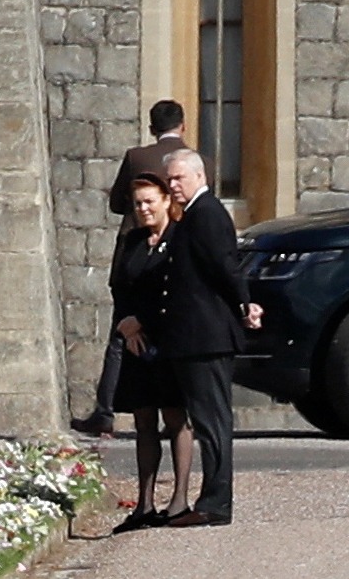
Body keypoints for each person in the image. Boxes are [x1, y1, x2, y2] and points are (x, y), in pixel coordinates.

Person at [152, 148, 262, 527]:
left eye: (178, 178)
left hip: (207, 336)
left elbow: (226, 267)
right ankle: (212, 500)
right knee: (206, 421)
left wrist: (246, 304)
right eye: (169, 180)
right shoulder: (194, 215)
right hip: (194, 336)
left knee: (213, 423)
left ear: (200, 177)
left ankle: (215, 503)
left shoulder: (208, 213)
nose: (173, 185)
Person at [71, 99, 190, 436]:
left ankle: (105, 411)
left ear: (152, 128)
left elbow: (115, 203)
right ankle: (176, 413)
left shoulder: (137, 157)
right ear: (183, 126)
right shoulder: (200, 162)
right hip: (175, 253)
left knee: (120, 335)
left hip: (134, 254)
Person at [108, 173, 194, 533]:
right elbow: (120, 285)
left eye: (149, 201)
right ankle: (144, 503)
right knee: (143, 421)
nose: (143, 209)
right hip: (136, 343)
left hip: (170, 339)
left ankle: (179, 500)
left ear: (164, 201)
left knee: (176, 418)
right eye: (138, 203)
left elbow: (182, 289)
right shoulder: (133, 241)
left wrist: (143, 321)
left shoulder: (181, 238)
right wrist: (126, 323)